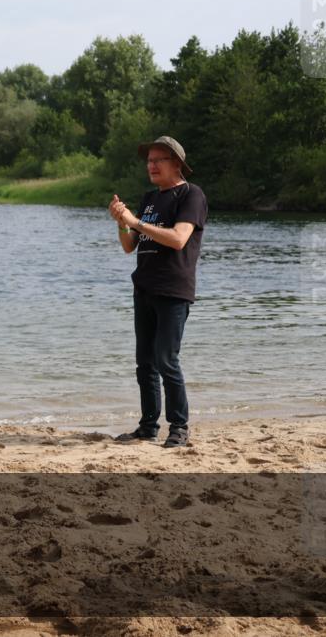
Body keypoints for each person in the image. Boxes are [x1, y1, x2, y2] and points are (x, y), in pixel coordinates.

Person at [109, 136, 207, 448]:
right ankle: (148, 426)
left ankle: (179, 426)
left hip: (173, 289)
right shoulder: (149, 198)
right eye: (149, 160)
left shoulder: (192, 195)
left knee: (166, 358)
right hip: (144, 288)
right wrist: (121, 222)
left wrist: (135, 221)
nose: (151, 165)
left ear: (176, 164)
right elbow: (129, 246)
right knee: (145, 363)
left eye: (158, 160)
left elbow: (179, 239)